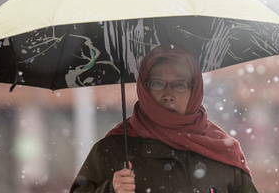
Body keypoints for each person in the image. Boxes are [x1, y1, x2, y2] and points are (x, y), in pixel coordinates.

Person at [70, 44, 258, 193]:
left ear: (195, 89)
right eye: (158, 83)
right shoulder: (112, 150)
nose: (168, 94)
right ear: (144, 88)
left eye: (180, 84)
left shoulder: (223, 151)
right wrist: (111, 190)